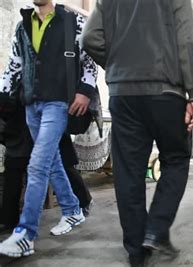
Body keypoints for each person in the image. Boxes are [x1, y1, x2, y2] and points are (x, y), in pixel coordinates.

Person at [82, 0, 193, 265]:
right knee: (176, 159)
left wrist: (117, 62)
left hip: (123, 94)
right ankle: (156, 229)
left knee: (128, 172)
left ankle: (137, 252)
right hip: (166, 93)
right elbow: (188, 43)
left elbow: (89, 38)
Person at [0, 0, 97, 257]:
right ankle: (72, 209)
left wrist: (85, 90)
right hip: (31, 104)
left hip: (58, 103)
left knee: (38, 163)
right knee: (52, 161)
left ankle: (25, 234)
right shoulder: (23, 26)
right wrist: (3, 96)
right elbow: (14, 65)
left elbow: (89, 58)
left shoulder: (72, 21)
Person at [0, 101, 94, 234]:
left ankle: (81, 203)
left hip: (47, 108)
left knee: (58, 163)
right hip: (20, 114)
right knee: (16, 165)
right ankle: (9, 220)